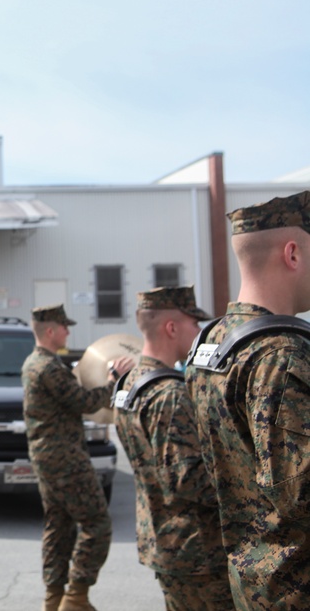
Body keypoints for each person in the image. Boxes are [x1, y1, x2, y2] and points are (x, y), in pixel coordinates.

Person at [185, 190, 310, 610]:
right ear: (292, 253)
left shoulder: (211, 342)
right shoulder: (283, 354)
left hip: (252, 580)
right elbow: (300, 494)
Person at [112, 286, 231, 610]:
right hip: (197, 550)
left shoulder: (129, 382)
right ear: (172, 327)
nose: (199, 332)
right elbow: (188, 478)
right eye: (195, 324)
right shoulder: (169, 394)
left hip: (164, 539)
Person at [21, 303, 134, 611]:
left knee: (59, 527)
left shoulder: (38, 363)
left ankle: (54, 599)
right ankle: (76, 598)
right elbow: (83, 402)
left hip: (49, 457)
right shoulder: (47, 367)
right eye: (64, 326)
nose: (68, 332)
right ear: (50, 330)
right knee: (97, 523)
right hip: (65, 459)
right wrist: (114, 381)